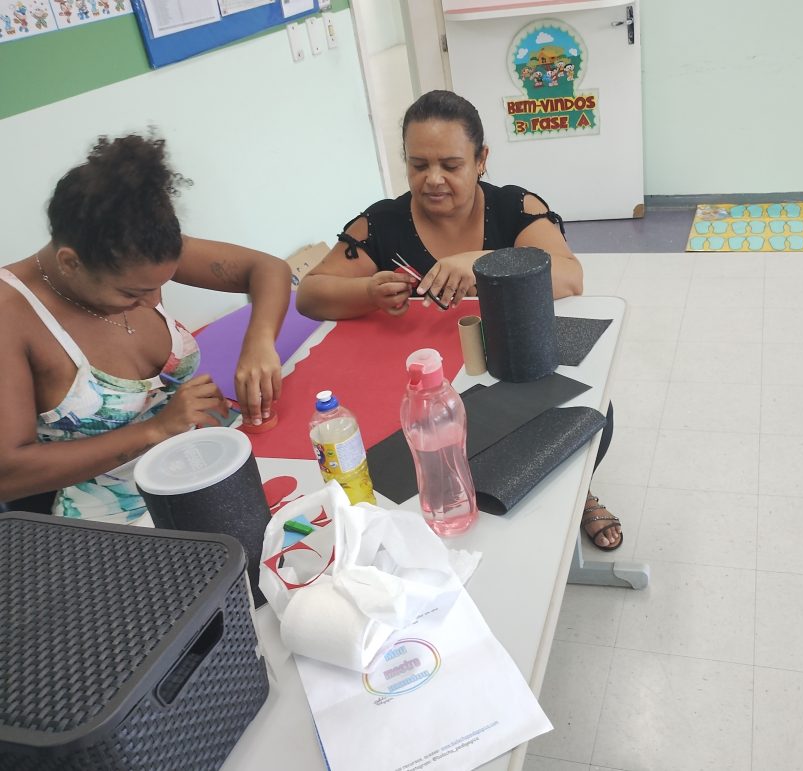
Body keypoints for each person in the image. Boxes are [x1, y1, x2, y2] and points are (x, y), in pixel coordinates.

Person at [296, 90, 622, 551]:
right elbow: (310, 295)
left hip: (508, 372)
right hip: (429, 391)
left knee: (587, 420)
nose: (433, 180)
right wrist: (367, 291)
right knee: (416, 469)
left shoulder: (514, 208)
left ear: (481, 159)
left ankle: (575, 493)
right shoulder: (383, 223)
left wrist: (483, 263)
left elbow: (570, 277)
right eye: (418, 165)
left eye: (451, 165)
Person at [0, 133, 292, 523]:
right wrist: (157, 429)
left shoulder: (138, 251)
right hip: (114, 526)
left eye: (160, 284)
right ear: (70, 262)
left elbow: (268, 269)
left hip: (202, 473)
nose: (153, 300)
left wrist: (258, 344)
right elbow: (8, 475)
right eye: (131, 293)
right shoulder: (11, 315)